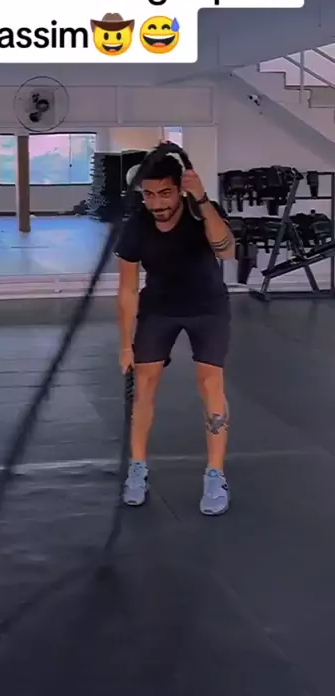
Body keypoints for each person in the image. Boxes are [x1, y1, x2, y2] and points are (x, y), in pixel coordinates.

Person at [115, 150, 235, 515]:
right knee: (144, 385)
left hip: (207, 307)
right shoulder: (137, 224)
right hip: (159, 308)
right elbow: (127, 289)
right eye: (149, 195)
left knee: (210, 383)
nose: (157, 204)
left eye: (165, 194)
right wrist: (125, 344)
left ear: (179, 190)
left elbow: (227, 251)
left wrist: (202, 199)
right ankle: (138, 468)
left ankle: (215, 475)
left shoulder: (202, 211)